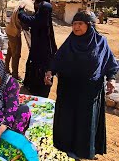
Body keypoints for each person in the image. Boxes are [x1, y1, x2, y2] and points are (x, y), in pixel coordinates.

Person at [44, 11, 119, 160]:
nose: (76, 27)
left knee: (86, 120)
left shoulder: (100, 42)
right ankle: (68, 148)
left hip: (90, 92)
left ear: (89, 25)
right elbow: (57, 60)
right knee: (69, 119)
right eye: (74, 24)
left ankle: (86, 149)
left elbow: (110, 63)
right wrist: (50, 72)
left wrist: (111, 79)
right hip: (69, 90)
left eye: (80, 24)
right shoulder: (70, 42)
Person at [18, 0, 57, 97]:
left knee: (39, 70)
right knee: (34, 67)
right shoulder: (45, 17)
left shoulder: (39, 20)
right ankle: (32, 86)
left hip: (41, 51)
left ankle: (38, 90)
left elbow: (25, 18)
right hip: (42, 49)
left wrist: (21, 9)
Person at [5, 0, 34, 79]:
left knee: (10, 51)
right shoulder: (29, 8)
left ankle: (6, 68)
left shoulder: (23, 4)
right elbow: (25, 24)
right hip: (14, 33)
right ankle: (14, 75)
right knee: (16, 54)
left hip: (10, 30)